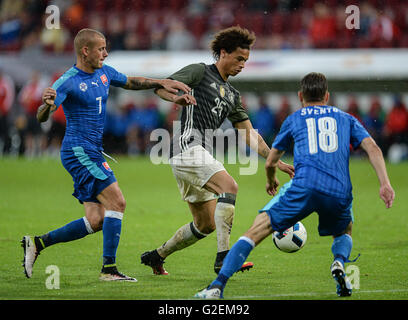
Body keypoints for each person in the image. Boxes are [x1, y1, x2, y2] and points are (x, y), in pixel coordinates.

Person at [195, 72, 395, 299]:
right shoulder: (346, 118)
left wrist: (271, 180)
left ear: (300, 96)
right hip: (339, 189)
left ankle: (216, 287)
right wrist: (385, 184)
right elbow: (374, 148)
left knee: (258, 229)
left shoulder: (295, 119)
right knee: (344, 229)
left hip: (304, 185)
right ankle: (339, 263)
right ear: (327, 96)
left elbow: (271, 160)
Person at [21, 28, 192, 281]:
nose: (106, 53)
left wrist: (160, 82)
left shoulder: (104, 72)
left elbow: (131, 82)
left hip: (91, 151)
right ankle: (108, 270)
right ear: (85, 51)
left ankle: (37, 243)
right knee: (118, 202)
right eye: (101, 48)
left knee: (96, 219)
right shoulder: (67, 80)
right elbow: (43, 114)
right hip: (79, 151)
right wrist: (46, 107)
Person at [141, 26, 294, 276]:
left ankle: (157, 256)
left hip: (198, 154)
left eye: (245, 60)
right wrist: (175, 98)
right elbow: (160, 87)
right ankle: (225, 259)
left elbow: (249, 134)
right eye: (239, 58)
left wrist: (276, 161)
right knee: (229, 186)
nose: (242, 65)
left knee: (205, 224)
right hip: (186, 146)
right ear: (223, 53)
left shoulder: (232, 95)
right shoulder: (200, 71)